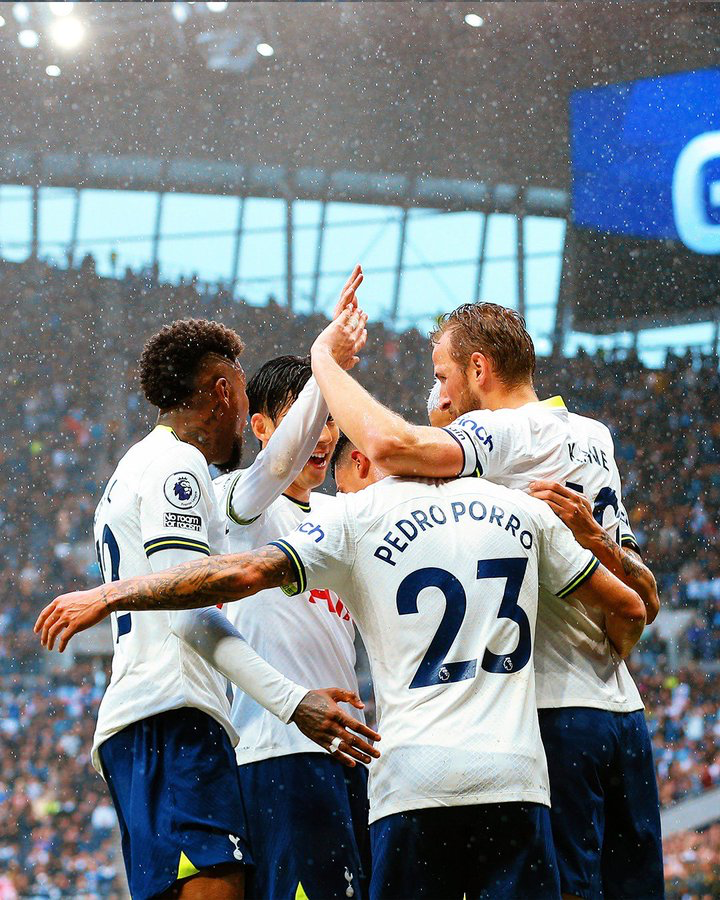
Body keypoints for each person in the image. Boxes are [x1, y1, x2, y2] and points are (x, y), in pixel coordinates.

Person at [35, 438, 646, 899]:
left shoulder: (354, 520)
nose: (320, 451)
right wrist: (612, 646)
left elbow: (235, 576)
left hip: (402, 776)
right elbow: (631, 605)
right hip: (503, 777)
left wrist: (113, 593)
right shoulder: (508, 509)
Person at [307, 302, 663, 900]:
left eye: (442, 376)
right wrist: (602, 553)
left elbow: (388, 448)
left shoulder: (502, 432)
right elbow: (637, 601)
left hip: (547, 713)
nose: (437, 392)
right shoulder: (592, 436)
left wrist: (324, 360)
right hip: (620, 712)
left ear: (479, 368)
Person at [67, 318, 379, 900]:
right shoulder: (188, 474)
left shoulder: (139, 470)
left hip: (177, 722)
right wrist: (324, 365)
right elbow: (188, 606)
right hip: (185, 717)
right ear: (222, 392)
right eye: (239, 390)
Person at [210, 267, 371, 899]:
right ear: (261, 427)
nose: (324, 435)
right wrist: (326, 358)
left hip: (350, 755)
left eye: (332, 419)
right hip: (276, 751)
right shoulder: (239, 506)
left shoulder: (342, 517)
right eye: (310, 418)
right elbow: (275, 469)